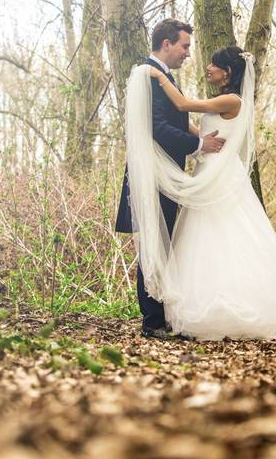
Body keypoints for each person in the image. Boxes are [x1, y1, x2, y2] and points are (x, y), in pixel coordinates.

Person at [125, 44, 276, 340]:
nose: (207, 68)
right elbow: (195, 125)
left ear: (227, 72)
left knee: (227, 234)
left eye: (214, 65)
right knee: (202, 238)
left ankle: (235, 306)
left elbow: (182, 106)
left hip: (221, 178)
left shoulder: (231, 100)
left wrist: (158, 76)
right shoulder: (222, 100)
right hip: (208, 171)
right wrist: (200, 139)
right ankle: (199, 303)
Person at [114, 19, 225, 339]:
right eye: (185, 46)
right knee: (153, 246)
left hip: (164, 174)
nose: (188, 53)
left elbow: (176, 120)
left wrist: (201, 136)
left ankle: (161, 317)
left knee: (162, 245)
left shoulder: (161, 77)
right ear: (166, 44)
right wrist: (199, 145)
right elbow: (157, 128)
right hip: (151, 178)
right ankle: (152, 323)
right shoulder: (149, 78)